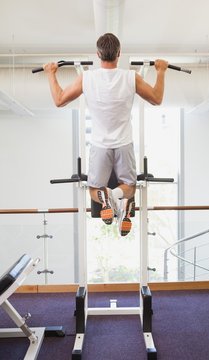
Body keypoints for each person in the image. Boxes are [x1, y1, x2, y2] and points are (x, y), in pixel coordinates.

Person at [43, 33, 168, 236]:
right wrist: (161, 71)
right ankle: (116, 196)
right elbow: (156, 98)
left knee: (94, 189)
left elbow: (59, 100)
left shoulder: (87, 78)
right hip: (124, 143)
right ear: (119, 53)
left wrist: (50, 73)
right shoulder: (131, 77)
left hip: (100, 145)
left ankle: (104, 196)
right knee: (129, 186)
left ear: (98, 54)